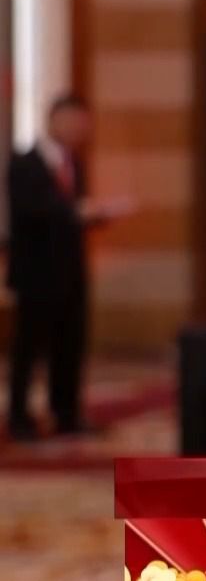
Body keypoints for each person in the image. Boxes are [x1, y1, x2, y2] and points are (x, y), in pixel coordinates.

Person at [6, 94, 123, 440]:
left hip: (71, 272)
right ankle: (19, 417)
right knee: (28, 349)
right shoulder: (24, 163)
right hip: (35, 273)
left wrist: (97, 215)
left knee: (70, 345)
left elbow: (73, 216)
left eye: (83, 124)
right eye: (73, 121)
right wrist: (75, 211)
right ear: (55, 120)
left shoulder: (74, 164)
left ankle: (66, 413)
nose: (78, 130)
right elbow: (30, 210)